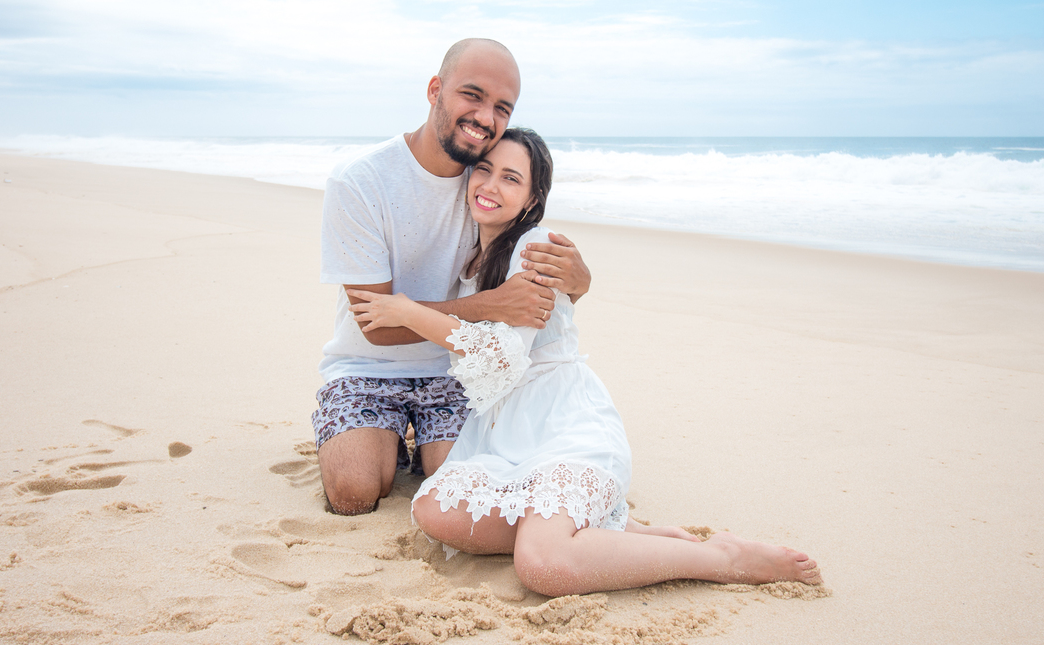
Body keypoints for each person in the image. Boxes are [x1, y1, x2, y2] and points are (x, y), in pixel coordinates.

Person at [347, 128, 823, 597]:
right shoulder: (475, 259)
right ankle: (619, 534)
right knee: (435, 511)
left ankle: (722, 559)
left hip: (564, 427)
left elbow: (504, 359)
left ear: (533, 199)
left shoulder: (537, 250)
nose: (490, 186)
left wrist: (411, 312)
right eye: (485, 170)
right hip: (508, 433)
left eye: (511, 179)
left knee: (542, 565)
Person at [313, 39, 592, 516]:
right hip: (367, 366)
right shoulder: (360, 182)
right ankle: (375, 435)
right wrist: (488, 307)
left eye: (502, 107)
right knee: (354, 492)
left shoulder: (484, 184)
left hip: (455, 371)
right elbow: (377, 326)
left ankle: (417, 444)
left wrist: (580, 279)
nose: (485, 116)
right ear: (435, 90)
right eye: (473, 95)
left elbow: (538, 278)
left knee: (455, 489)